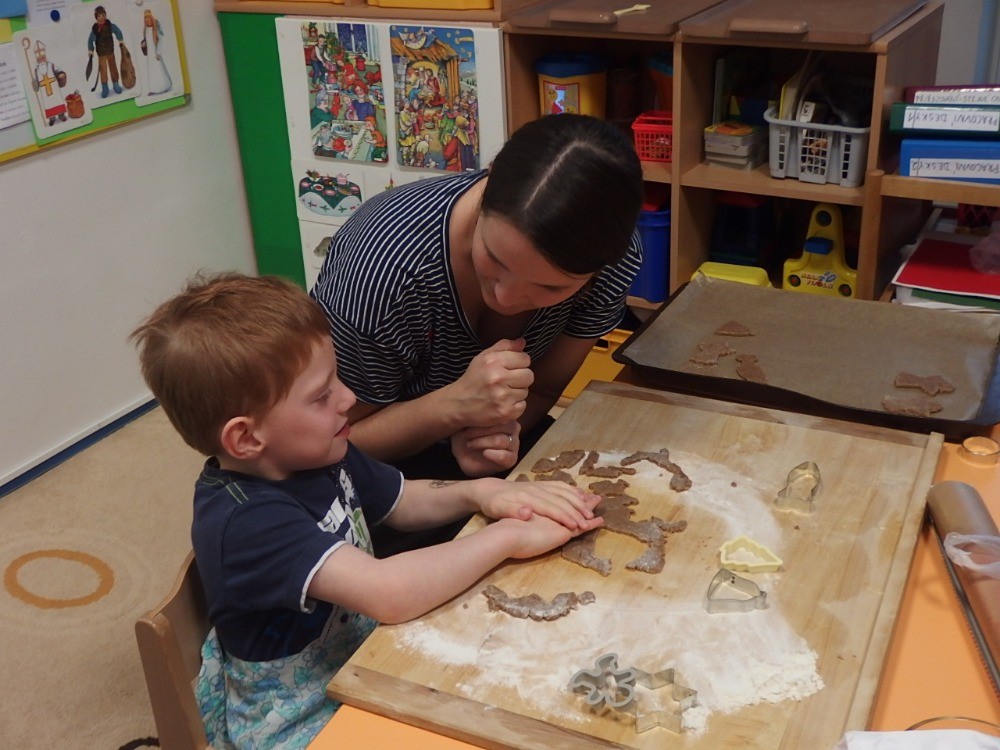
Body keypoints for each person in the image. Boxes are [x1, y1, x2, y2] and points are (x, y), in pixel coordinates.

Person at [129, 272, 602, 749]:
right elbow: (389, 593)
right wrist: (506, 537)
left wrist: (481, 494)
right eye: (322, 395)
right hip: (296, 715)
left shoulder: (317, 451)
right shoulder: (247, 521)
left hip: (357, 654)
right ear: (246, 437)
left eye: (337, 377)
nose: (348, 398)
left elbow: (403, 501)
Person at [309, 114, 643, 551]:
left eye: (550, 288)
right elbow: (323, 447)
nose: (506, 297)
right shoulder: (384, 265)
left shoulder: (612, 264)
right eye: (494, 259)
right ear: (486, 183)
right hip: (357, 478)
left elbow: (543, 390)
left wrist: (497, 437)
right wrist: (453, 409)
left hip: (475, 463)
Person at [87, 5, 124, 99]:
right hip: (101, 54)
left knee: (113, 68)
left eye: (103, 15)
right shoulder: (95, 30)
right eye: (99, 16)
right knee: (103, 71)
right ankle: (105, 88)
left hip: (110, 52)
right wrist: (91, 50)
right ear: (96, 17)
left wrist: (120, 40)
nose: (102, 17)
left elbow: (118, 31)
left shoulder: (110, 25)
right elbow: (90, 40)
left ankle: (116, 84)